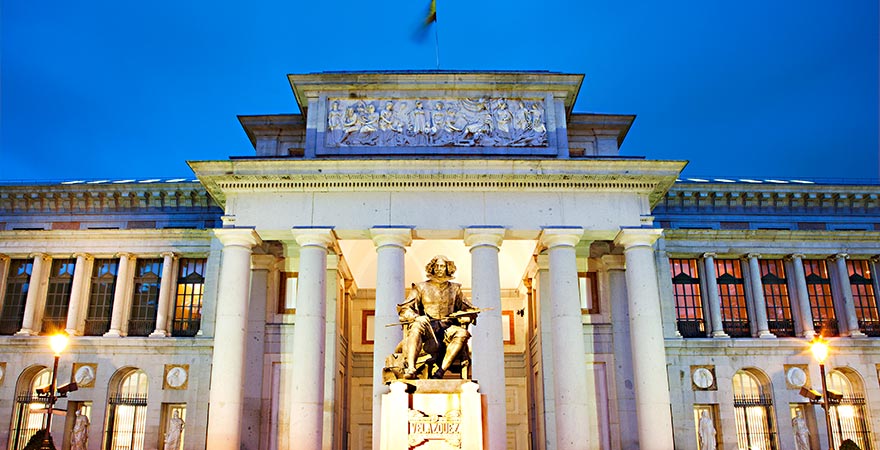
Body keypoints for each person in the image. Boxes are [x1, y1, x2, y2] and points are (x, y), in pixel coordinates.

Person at [397, 255, 478, 379]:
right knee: (417, 324)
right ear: (432, 268)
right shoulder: (420, 287)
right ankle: (411, 368)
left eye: (443, 266)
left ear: (448, 268)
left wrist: (468, 316)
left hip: (447, 328)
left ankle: (440, 371)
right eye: (437, 266)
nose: (440, 269)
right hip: (428, 328)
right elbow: (405, 308)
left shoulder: (455, 289)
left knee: (463, 333)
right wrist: (415, 317)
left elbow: (470, 308)